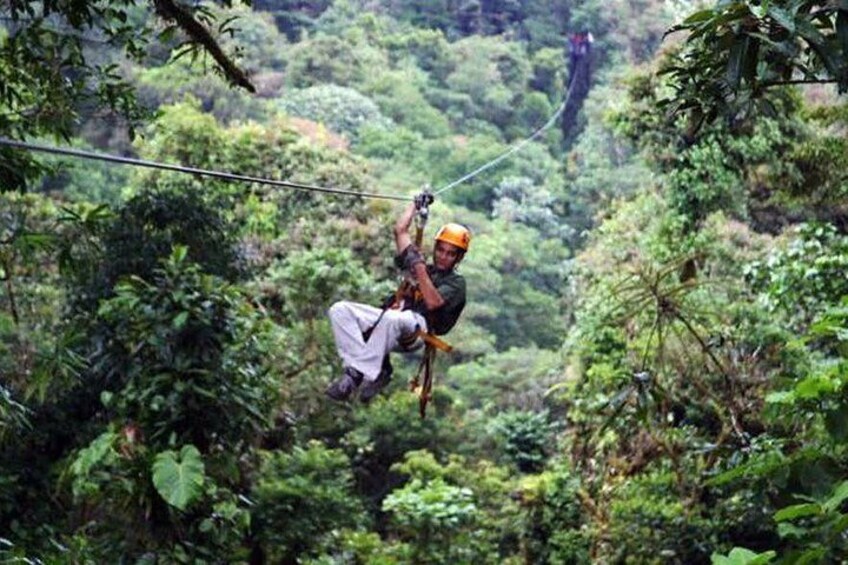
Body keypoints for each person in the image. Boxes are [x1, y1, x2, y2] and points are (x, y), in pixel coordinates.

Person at [325, 199, 470, 402]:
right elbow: (400, 231)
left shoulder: (456, 283)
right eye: (440, 250)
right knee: (340, 310)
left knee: (394, 318)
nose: (443, 257)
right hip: (392, 321)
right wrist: (414, 206)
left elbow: (433, 303)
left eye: (450, 254)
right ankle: (376, 368)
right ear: (435, 248)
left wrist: (418, 267)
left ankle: (357, 374)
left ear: (458, 258)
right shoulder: (424, 267)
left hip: (418, 330)